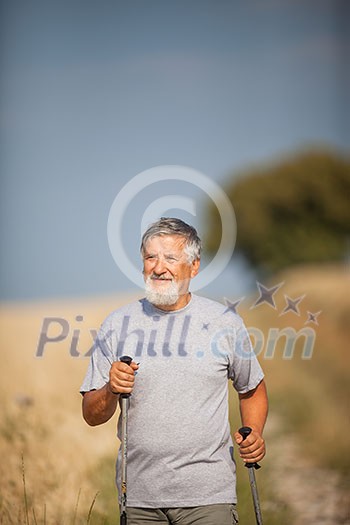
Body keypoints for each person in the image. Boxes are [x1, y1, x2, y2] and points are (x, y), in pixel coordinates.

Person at [81, 217, 268, 525]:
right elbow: (91, 414)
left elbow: (251, 388)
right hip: (139, 498)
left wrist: (255, 433)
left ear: (193, 267)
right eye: (150, 257)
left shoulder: (225, 323)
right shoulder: (117, 324)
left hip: (209, 495)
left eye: (171, 258)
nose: (158, 267)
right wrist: (111, 389)